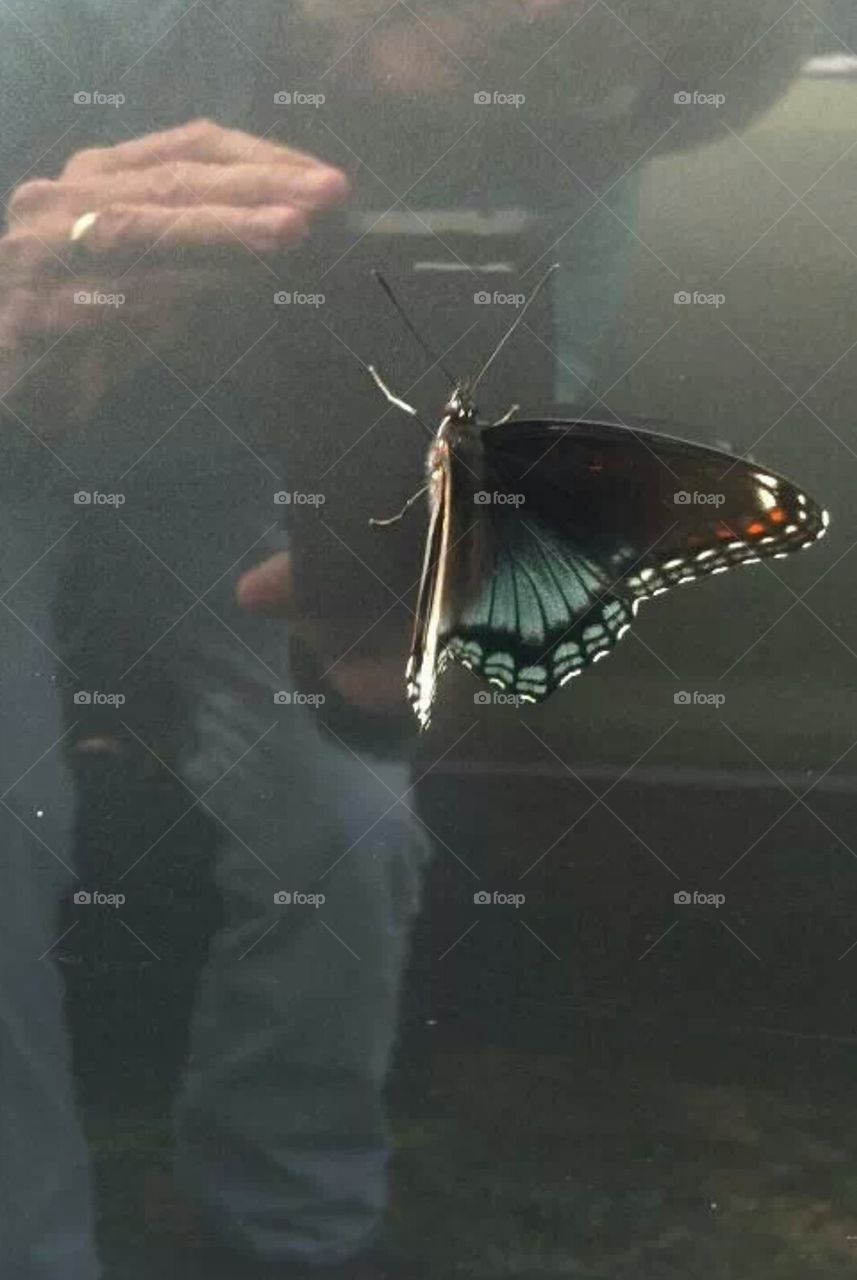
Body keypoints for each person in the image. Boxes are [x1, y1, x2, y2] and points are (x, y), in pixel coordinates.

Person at [0, 3, 811, 1277]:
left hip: (235, 471)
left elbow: (498, 425)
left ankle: (299, 1235)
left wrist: (430, 563)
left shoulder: (588, 113)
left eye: (612, 61)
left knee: (350, 815)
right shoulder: (54, 29)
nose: (555, 74)